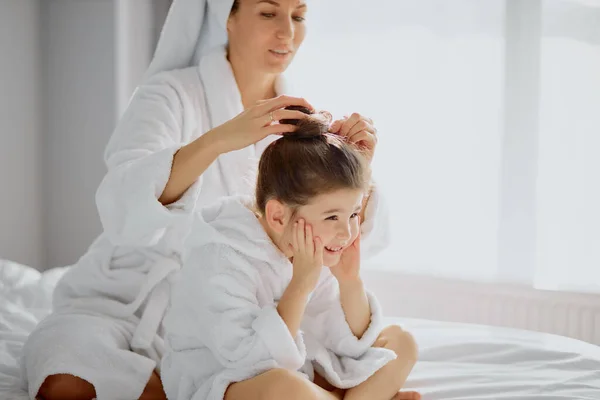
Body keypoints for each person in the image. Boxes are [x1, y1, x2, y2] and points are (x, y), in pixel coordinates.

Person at [22, 1, 388, 400]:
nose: (287, 32)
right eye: (268, 13)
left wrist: (361, 166)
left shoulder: (302, 120)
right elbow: (121, 203)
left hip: (236, 311)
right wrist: (219, 140)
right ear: (226, 17)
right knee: (62, 381)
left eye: (298, 16)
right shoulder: (170, 94)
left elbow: (338, 235)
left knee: (374, 350)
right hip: (126, 298)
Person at [161, 113, 419, 400]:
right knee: (283, 388)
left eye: (354, 213)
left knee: (401, 342)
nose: (346, 233)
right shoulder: (219, 258)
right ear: (278, 216)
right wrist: (301, 285)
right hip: (226, 380)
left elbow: (348, 344)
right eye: (332, 216)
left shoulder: (311, 242)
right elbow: (251, 362)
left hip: (301, 370)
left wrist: (350, 281)